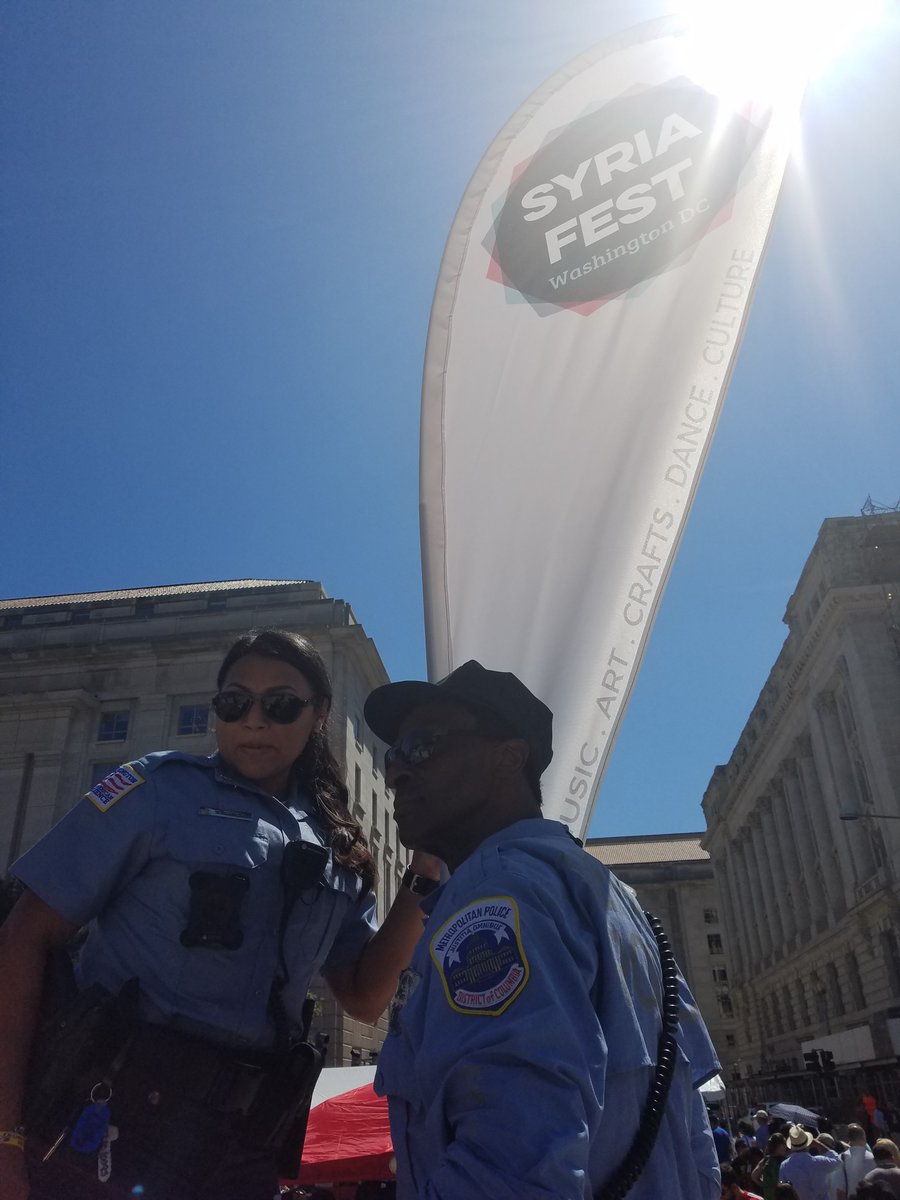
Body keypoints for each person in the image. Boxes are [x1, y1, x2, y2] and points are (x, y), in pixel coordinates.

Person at [0, 629, 439, 1200]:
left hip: (242, 1144)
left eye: (280, 705)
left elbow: (362, 993)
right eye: (235, 703)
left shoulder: (338, 843)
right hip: (112, 1122)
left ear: (319, 715)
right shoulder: (156, 790)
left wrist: (426, 869)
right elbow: (24, 937)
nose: (253, 721)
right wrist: (6, 1134)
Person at [364, 659, 722, 1200]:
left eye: (423, 746)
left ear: (509, 757)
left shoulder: (493, 895)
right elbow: (696, 1147)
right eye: (394, 755)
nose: (397, 772)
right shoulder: (614, 901)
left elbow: (510, 1163)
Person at [779, 1125, 841, 1200]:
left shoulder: (785, 1166)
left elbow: (783, 1189)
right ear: (808, 1144)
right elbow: (838, 1162)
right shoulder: (820, 1161)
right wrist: (819, 1144)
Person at [839, 1124, 875, 1200]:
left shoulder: (841, 1158)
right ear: (864, 1138)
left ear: (849, 1140)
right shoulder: (873, 1158)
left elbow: (840, 1189)